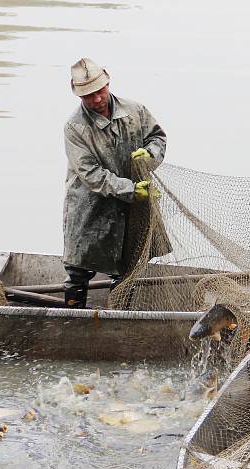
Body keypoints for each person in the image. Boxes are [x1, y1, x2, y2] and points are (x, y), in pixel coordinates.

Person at [62, 57, 167, 308]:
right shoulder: (75, 127)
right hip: (90, 207)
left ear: (108, 81)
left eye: (100, 91)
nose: (97, 99)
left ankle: (120, 317)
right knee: (78, 269)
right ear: (78, 95)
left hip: (132, 207)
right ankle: (72, 321)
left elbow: (157, 137)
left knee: (126, 267)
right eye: (88, 96)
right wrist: (131, 190)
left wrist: (150, 154)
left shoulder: (135, 111)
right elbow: (91, 174)